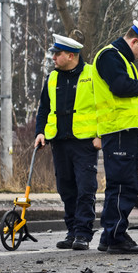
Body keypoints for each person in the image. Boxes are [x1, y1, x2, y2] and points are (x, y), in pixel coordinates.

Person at [92, 20, 138, 254]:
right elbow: (120, 87)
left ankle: (112, 235)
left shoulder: (123, 61)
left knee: (124, 185)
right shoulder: (110, 56)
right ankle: (115, 237)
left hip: (125, 132)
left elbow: (129, 95)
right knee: (123, 186)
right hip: (118, 131)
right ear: (135, 42)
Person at [34, 33, 99, 251]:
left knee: (85, 189)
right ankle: (72, 232)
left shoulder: (93, 74)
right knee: (66, 189)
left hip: (85, 143)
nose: (53, 57)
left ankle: (83, 234)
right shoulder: (52, 78)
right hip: (59, 142)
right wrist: (40, 132)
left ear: (71, 55)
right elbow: (44, 108)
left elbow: (103, 107)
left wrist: (101, 135)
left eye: (57, 54)